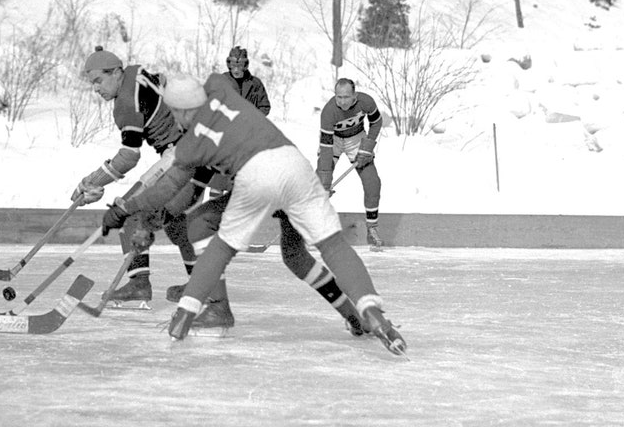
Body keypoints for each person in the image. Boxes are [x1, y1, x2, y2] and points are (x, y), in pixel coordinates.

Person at [102, 73, 405, 350]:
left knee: (202, 228)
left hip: (257, 180)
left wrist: (127, 209)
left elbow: (170, 188)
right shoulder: (218, 86)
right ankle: (366, 312)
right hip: (293, 165)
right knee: (310, 252)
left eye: (173, 114)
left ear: (180, 111)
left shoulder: (191, 145)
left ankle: (205, 311)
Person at [71, 47, 232, 323]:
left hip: (181, 154)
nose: (96, 88)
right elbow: (164, 83)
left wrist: (93, 181)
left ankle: (139, 285)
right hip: (194, 151)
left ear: (116, 72)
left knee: (129, 210)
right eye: (92, 83)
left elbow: (129, 157)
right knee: (176, 222)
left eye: (98, 80)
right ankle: (199, 284)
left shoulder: (125, 103)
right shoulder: (137, 73)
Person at [316, 77, 385, 246]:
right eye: (338, 97)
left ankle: (372, 228)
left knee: (372, 182)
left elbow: (376, 122)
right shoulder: (328, 112)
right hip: (333, 141)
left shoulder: (366, 102)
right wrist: (325, 181)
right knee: (319, 184)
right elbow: (326, 147)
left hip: (356, 139)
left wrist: (367, 147)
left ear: (355, 96)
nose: (342, 101)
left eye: (346, 97)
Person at [223, 45, 270, 115]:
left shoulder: (256, 84)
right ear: (229, 65)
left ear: (245, 66)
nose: (236, 69)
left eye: (240, 65)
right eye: (233, 65)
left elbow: (264, 107)